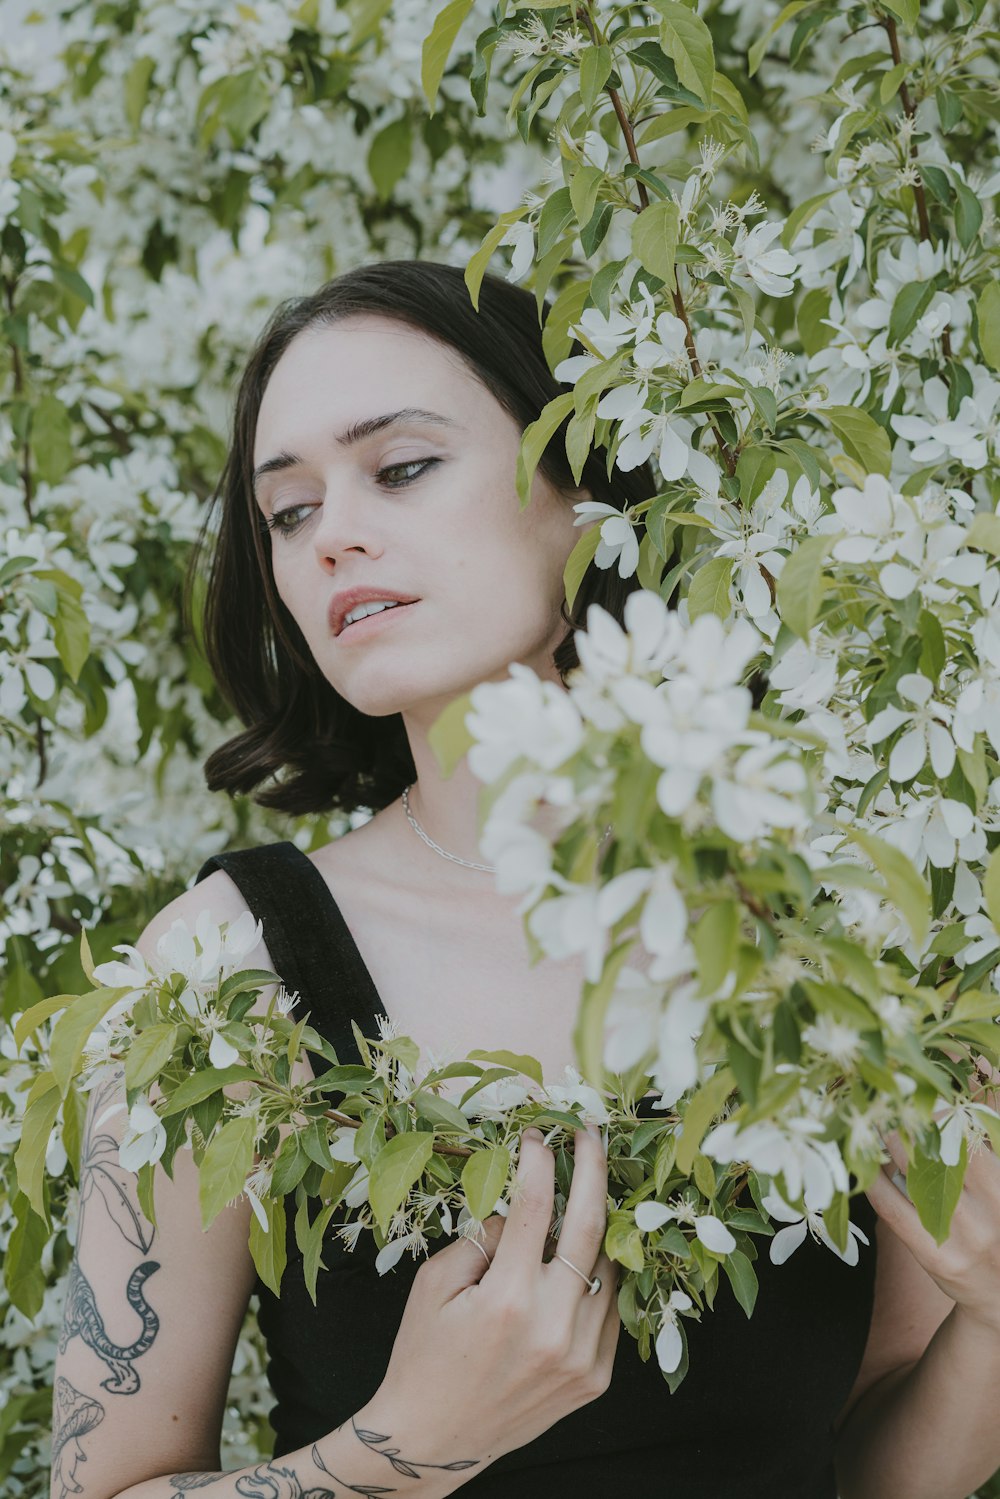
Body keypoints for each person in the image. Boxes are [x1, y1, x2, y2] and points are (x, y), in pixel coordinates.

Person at [48, 260, 997, 1499]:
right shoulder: (223, 974)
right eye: (287, 511)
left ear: (583, 496)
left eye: (399, 467)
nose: (331, 532)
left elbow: (867, 1459)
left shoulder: (841, 915)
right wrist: (403, 1447)